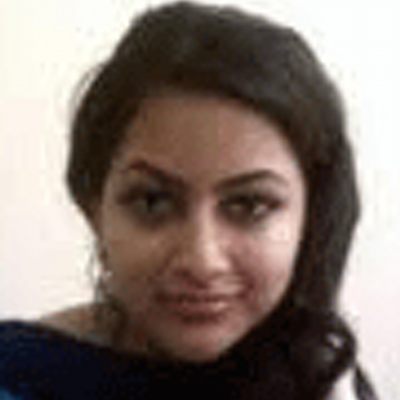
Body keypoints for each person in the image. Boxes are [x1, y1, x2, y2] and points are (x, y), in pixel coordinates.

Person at [0, 2, 378, 399]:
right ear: (94, 208)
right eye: (152, 202)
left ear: (312, 216)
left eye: (249, 206)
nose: (202, 261)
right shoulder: (15, 376)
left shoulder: (325, 373)